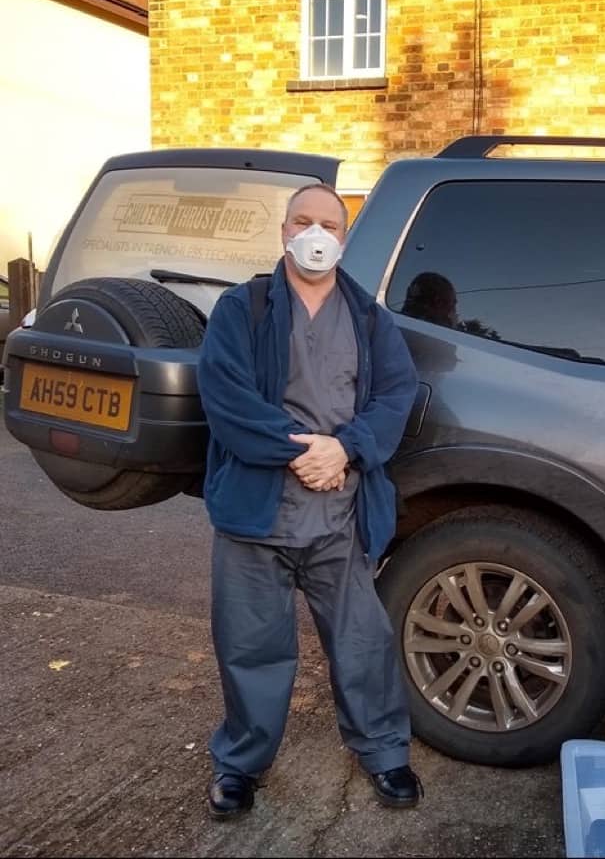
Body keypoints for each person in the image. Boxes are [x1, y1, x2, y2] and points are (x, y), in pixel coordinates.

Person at [196, 183, 421, 819]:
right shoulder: (245, 309)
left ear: (343, 239)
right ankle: (240, 763)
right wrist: (304, 452)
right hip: (257, 513)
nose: (315, 233)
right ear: (285, 231)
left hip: (338, 513)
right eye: (304, 221)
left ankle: (383, 752)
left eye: (329, 224)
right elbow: (227, 398)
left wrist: (345, 450)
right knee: (250, 645)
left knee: (362, 641)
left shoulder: (372, 320)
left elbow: (395, 398)